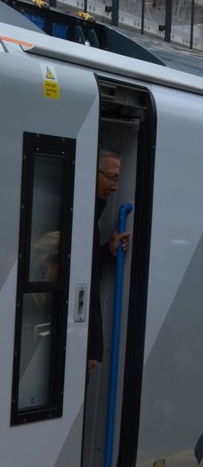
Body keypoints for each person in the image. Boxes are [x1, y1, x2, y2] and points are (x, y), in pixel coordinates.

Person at [87, 151, 131, 372]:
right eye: (111, 178)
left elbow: (85, 263)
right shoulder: (82, 214)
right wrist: (91, 348)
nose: (114, 187)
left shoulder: (88, 213)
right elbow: (85, 284)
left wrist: (108, 251)